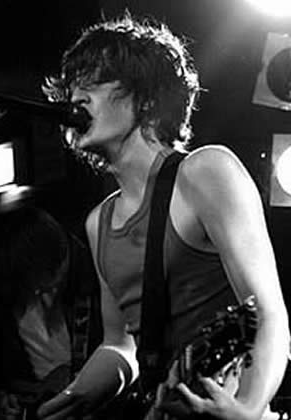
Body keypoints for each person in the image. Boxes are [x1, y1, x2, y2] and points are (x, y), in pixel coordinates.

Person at [36, 12, 290, 420]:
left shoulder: (206, 172)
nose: (76, 98)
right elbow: (120, 346)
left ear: (148, 98)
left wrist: (246, 409)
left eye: (94, 82)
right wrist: (74, 396)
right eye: (73, 87)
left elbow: (268, 314)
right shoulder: (98, 222)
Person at [0, 206, 102, 420]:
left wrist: (78, 379)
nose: (37, 292)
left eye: (44, 285)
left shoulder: (98, 278)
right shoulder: (7, 292)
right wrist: (2, 398)